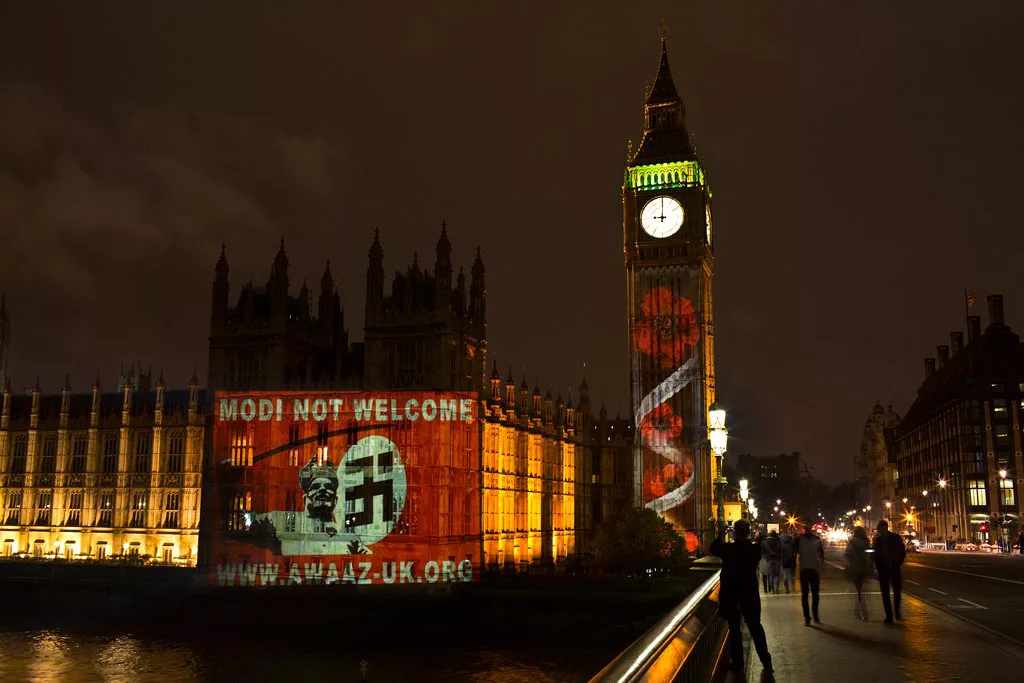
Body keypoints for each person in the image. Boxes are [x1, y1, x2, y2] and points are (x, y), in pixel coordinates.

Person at [711, 520, 773, 674]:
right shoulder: (754, 550)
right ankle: (766, 662)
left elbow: (713, 549)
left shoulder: (728, 549)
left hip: (732, 595)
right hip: (749, 595)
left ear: (735, 532)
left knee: (734, 629)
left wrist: (721, 533)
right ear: (747, 532)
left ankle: (738, 663)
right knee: (755, 628)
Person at [873, 519, 906, 624]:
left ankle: (896, 611)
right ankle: (889, 616)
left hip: (894, 568)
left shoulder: (896, 538)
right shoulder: (877, 540)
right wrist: (878, 568)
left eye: (878, 527)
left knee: (897, 591)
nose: (877, 529)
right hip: (883, 569)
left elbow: (902, 552)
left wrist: (897, 564)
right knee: (885, 593)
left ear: (884, 528)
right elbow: (876, 556)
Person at [795, 522, 824, 625]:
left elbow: (795, 554)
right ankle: (815, 615)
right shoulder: (816, 539)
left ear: (803, 529)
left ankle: (807, 618)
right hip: (814, 569)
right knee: (815, 594)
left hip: (804, 569)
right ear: (811, 529)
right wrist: (820, 567)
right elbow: (821, 555)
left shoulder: (799, 539)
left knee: (805, 595)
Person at [845, 526, 871, 621]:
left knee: (857, 591)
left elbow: (847, 554)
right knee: (863, 591)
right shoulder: (866, 543)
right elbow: (869, 555)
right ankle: (864, 612)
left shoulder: (851, 542)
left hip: (854, 569)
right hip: (864, 569)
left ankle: (859, 609)